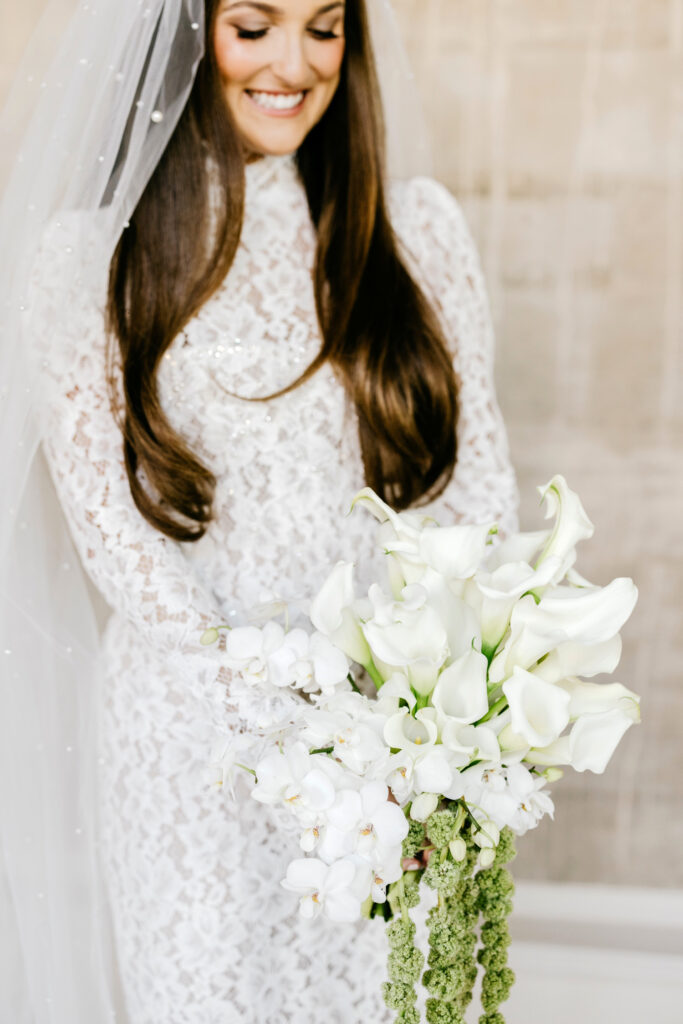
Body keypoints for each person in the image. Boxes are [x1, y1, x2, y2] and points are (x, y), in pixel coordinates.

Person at [0, 0, 518, 1021]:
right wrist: (285, 698)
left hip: (390, 743)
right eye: (255, 25)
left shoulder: (415, 229)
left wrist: (419, 708)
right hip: (190, 747)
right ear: (188, 35)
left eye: (325, 28)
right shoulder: (87, 256)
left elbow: (480, 491)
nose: (295, 62)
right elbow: (112, 536)